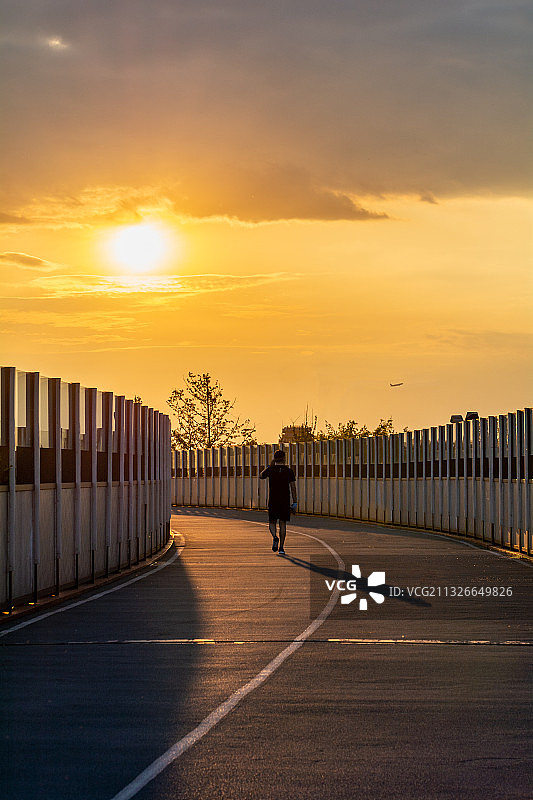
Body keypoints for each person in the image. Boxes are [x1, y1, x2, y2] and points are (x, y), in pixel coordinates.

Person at [259, 449, 297, 555]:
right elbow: (293, 487)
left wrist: (271, 465)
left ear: (274, 458)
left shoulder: (271, 470)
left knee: (272, 522)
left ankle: (275, 537)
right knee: (283, 523)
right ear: (284, 458)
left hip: (273, 500)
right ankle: (281, 548)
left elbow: (261, 475)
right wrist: (295, 502)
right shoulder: (289, 471)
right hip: (285, 500)